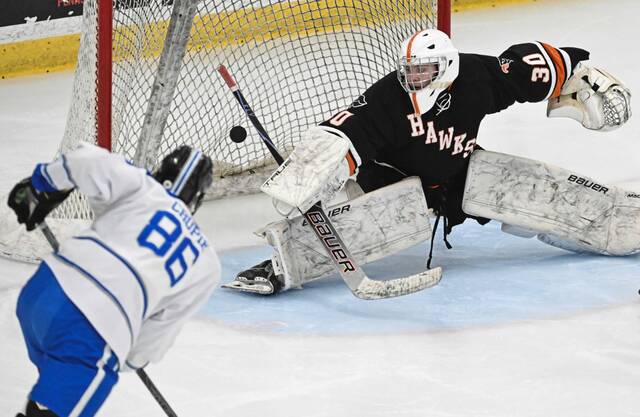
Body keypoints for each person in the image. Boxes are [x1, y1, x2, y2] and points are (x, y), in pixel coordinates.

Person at [224, 28, 633, 296]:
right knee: (391, 213)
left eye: (424, 71)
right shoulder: (390, 97)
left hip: (456, 174)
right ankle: (279, 265)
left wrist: (582, 76)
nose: (413, 79)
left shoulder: (478, 78)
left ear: (448, 68)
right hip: (391, 182)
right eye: (410, 70)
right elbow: (348, 131)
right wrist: (318, 169)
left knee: (527, 184)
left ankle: (624, 221)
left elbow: (538, 65)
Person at [8, 142, 219, 417]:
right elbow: (159, 330)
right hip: (95, 324)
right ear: (197, 200)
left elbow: (86, 159)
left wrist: (41, 185)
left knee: (52, 392)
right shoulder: (206, 262)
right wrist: (130, 358)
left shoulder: (141, 186)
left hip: (41, 293)